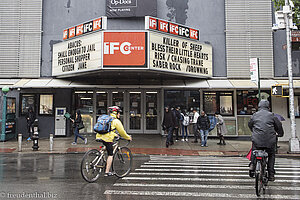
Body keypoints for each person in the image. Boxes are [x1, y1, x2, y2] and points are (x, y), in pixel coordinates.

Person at [248, 100, 284, 182]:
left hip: (257, 139)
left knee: (254, 150)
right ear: (268, 107)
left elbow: (250, 124)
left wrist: (254, 131)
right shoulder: (272, 116)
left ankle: (253, 164)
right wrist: (280, 134)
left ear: (259, 106)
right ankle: (271, 174)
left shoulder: (255, 115)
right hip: (270, 141)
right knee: (271, 155)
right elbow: (279, 126)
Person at [96, 106, 132, 176]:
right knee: (110, 154)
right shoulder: (116, 121)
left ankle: (99, 154)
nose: (119, 115)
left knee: (106, 146)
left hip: (99, 136)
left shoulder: (106, 118)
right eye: (119, 113)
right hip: (108, 138)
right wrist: (128, 137)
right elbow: (122, 132)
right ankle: (107, 172)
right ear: (116, 113)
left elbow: (109, 130)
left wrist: (115, 135)